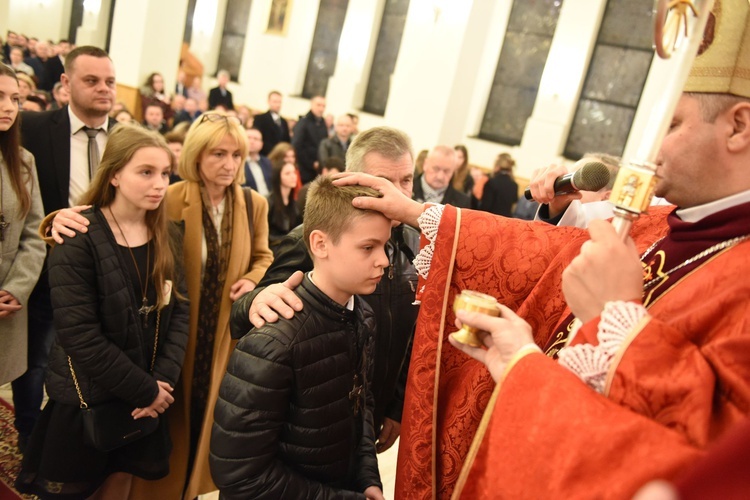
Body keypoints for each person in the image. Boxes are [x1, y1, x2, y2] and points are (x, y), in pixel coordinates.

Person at [334, 1, 750, 496]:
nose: (651, 146)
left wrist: (616, 318)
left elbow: (712, 457)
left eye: (673, 124)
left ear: (739, 126)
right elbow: (540, 252)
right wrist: (418, 212)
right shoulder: (659, 222)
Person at [15, 124, 190, 499]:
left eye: (164, 173)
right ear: (114, 174)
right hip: (90, 396)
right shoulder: (77, 236)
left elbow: (179, 314)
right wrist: (146, 390)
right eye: (146, 172)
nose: (160, 183)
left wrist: (162, 382)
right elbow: (81, 335)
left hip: (145, 394)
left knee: (121, 482)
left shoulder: (167, 234)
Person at [230, 126, 420, 455]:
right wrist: (254, 302)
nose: (400, 195)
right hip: (309, 423)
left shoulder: (415, 243)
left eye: (407, 180)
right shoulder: (316, 239)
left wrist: (396, 405)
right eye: (385, 182)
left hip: (367, 415)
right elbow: (245, 318)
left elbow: (411, 333)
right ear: (352, 179)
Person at [211, 176, 386, 500]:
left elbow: (360, 406)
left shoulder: (362, 314)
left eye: (384, 246)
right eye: (368, 247)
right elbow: (240, 476)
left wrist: (367, 478)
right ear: (320, 244)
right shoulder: (275, 341)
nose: (384, 261)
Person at [129, 111, 273, 500]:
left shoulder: (252, 202)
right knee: (171, 414)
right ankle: (158, 489)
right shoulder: (172, 196)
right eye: (218, 154)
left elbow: (263, 255)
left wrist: (253, 279)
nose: (229, 165)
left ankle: (190, 489)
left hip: (224, 332)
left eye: (236, 155)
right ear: (196, 155)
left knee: (210, 414)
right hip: (176, 330)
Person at [15, 44, 116, 453]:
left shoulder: (126, 140)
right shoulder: (34, 129)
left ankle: (78, 445)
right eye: (91, 81)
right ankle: (29, 440)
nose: (104, 89)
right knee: (37, 359)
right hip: (47, 267)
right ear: (65, 84)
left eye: (110, 81)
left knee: (93, 364)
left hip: (105, 272)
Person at [0, 64, 46, 387]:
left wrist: (17, 287)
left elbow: (35, 233)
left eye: (15, 98)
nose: (9, 107)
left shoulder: (23, 160)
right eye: (0, 97)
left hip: (5, 298)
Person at [266, 161, 301, 253]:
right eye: (287, 173)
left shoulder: (294, 203)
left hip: (290, 247)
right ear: (278, 177)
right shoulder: (269, 202)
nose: (293, 176)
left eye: (294, 172)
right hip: (273, 249)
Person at [292, 95, 328, 183]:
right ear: (312, 105)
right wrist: (311, 163)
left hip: (317, 169)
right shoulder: (304, 122)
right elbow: (297, 146)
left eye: (323, 106)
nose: (321, 109)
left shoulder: (322, 123)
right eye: (318, 105)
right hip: (304, 169)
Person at [478, 152, 518, 217]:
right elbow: (513, 206)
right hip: (505, 221)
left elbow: (485, 207)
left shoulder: (492, 182)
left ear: (497, 166)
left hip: (491, 220)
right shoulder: (514, 185)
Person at [252, 90, 291, 156]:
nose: (278, 105)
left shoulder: (284, 122)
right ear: (268, 102)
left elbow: (286, 141)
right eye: (275, 102)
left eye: (279, 102)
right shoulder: (260, 119)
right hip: (264, 155)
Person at [242, 127, 272, 196]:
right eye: (248, 138)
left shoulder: (267, 162)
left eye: (256, 139)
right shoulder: (238, 162)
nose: (252, 142)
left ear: (261, 144)